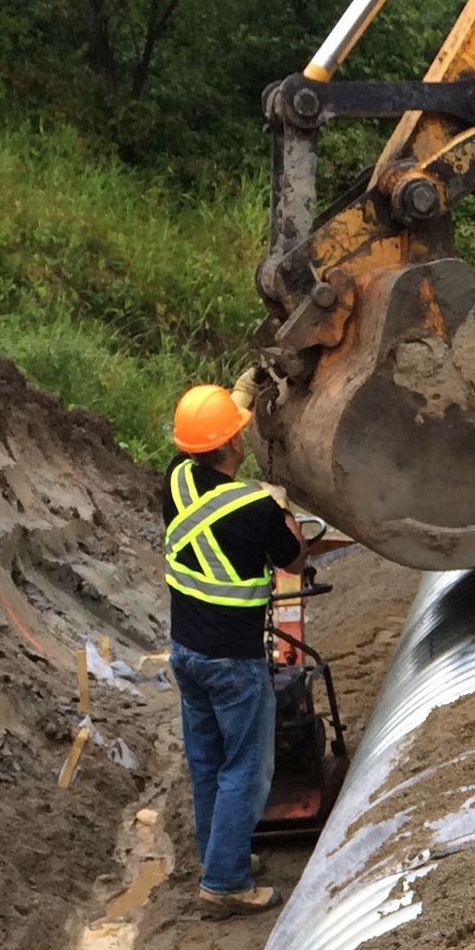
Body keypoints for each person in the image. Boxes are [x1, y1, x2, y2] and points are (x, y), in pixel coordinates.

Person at [162, 383, 306, 912]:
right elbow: (292, 561)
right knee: (247, 766)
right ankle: (225, 884)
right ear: (230, 446)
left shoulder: (175, 481)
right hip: (233, 661)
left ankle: (220, 856)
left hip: (186, 652)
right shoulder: (255, 507)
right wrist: (283, 510)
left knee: (206, 760)